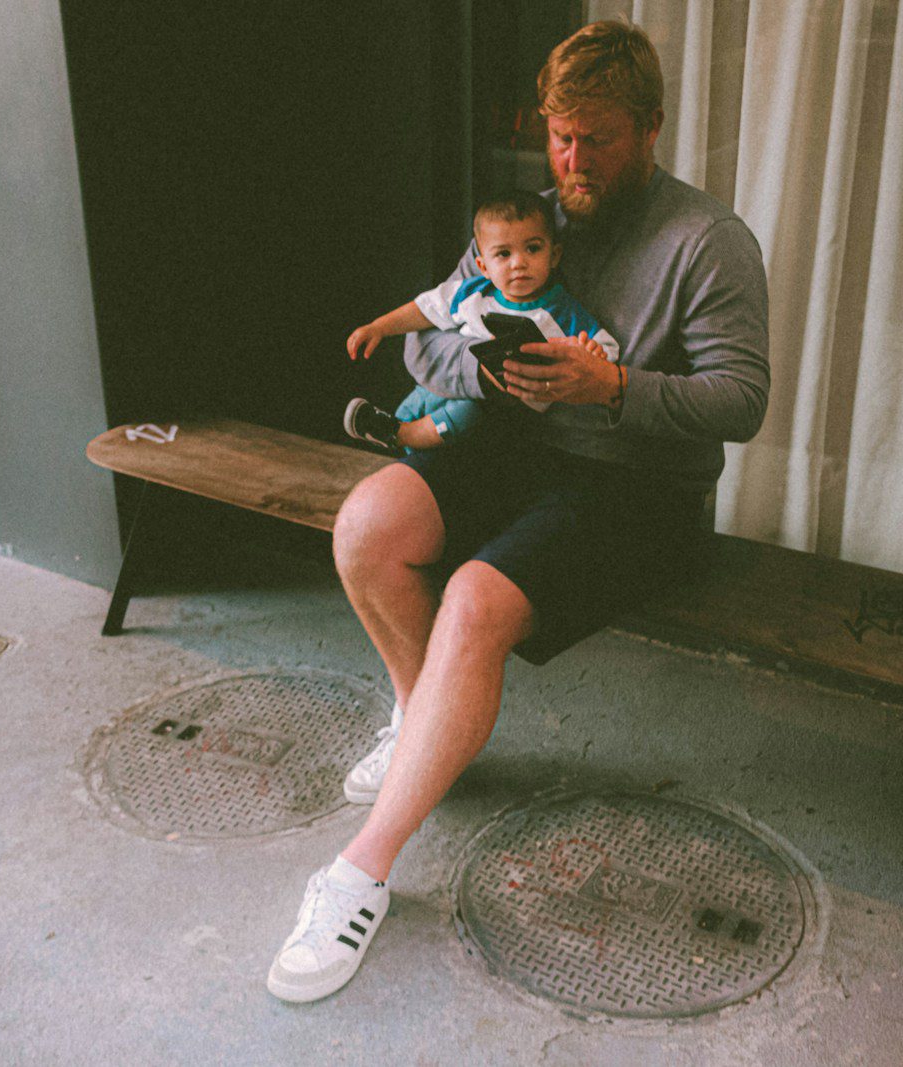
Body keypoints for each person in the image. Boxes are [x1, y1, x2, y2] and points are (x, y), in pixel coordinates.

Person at [266, 19, 769, 1004]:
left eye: (598, 138)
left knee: (473, 600)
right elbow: (429, 349)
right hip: (514, 447)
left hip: (637, 483)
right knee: (367, 522)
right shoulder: (520, 221)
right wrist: (493, 371)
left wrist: (613, 385)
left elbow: (742, 400)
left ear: (652, 127)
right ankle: (426, 729)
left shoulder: (707, 241)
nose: (572, 163)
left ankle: (359, 870)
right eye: (558, 136)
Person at [340, 190, 620, 454]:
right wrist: (379, 327)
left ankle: (404, 436)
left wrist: (594, 353)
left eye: (533, 249)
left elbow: (607, 346)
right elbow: (425, 308)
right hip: (447, 385)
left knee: (468, 412)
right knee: (421, 396)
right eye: (503, 254)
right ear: (483, 266)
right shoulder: (472, 293)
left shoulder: (561, 309)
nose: (518, 263)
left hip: (501, 409)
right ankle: (391, 429)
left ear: (554, 255)